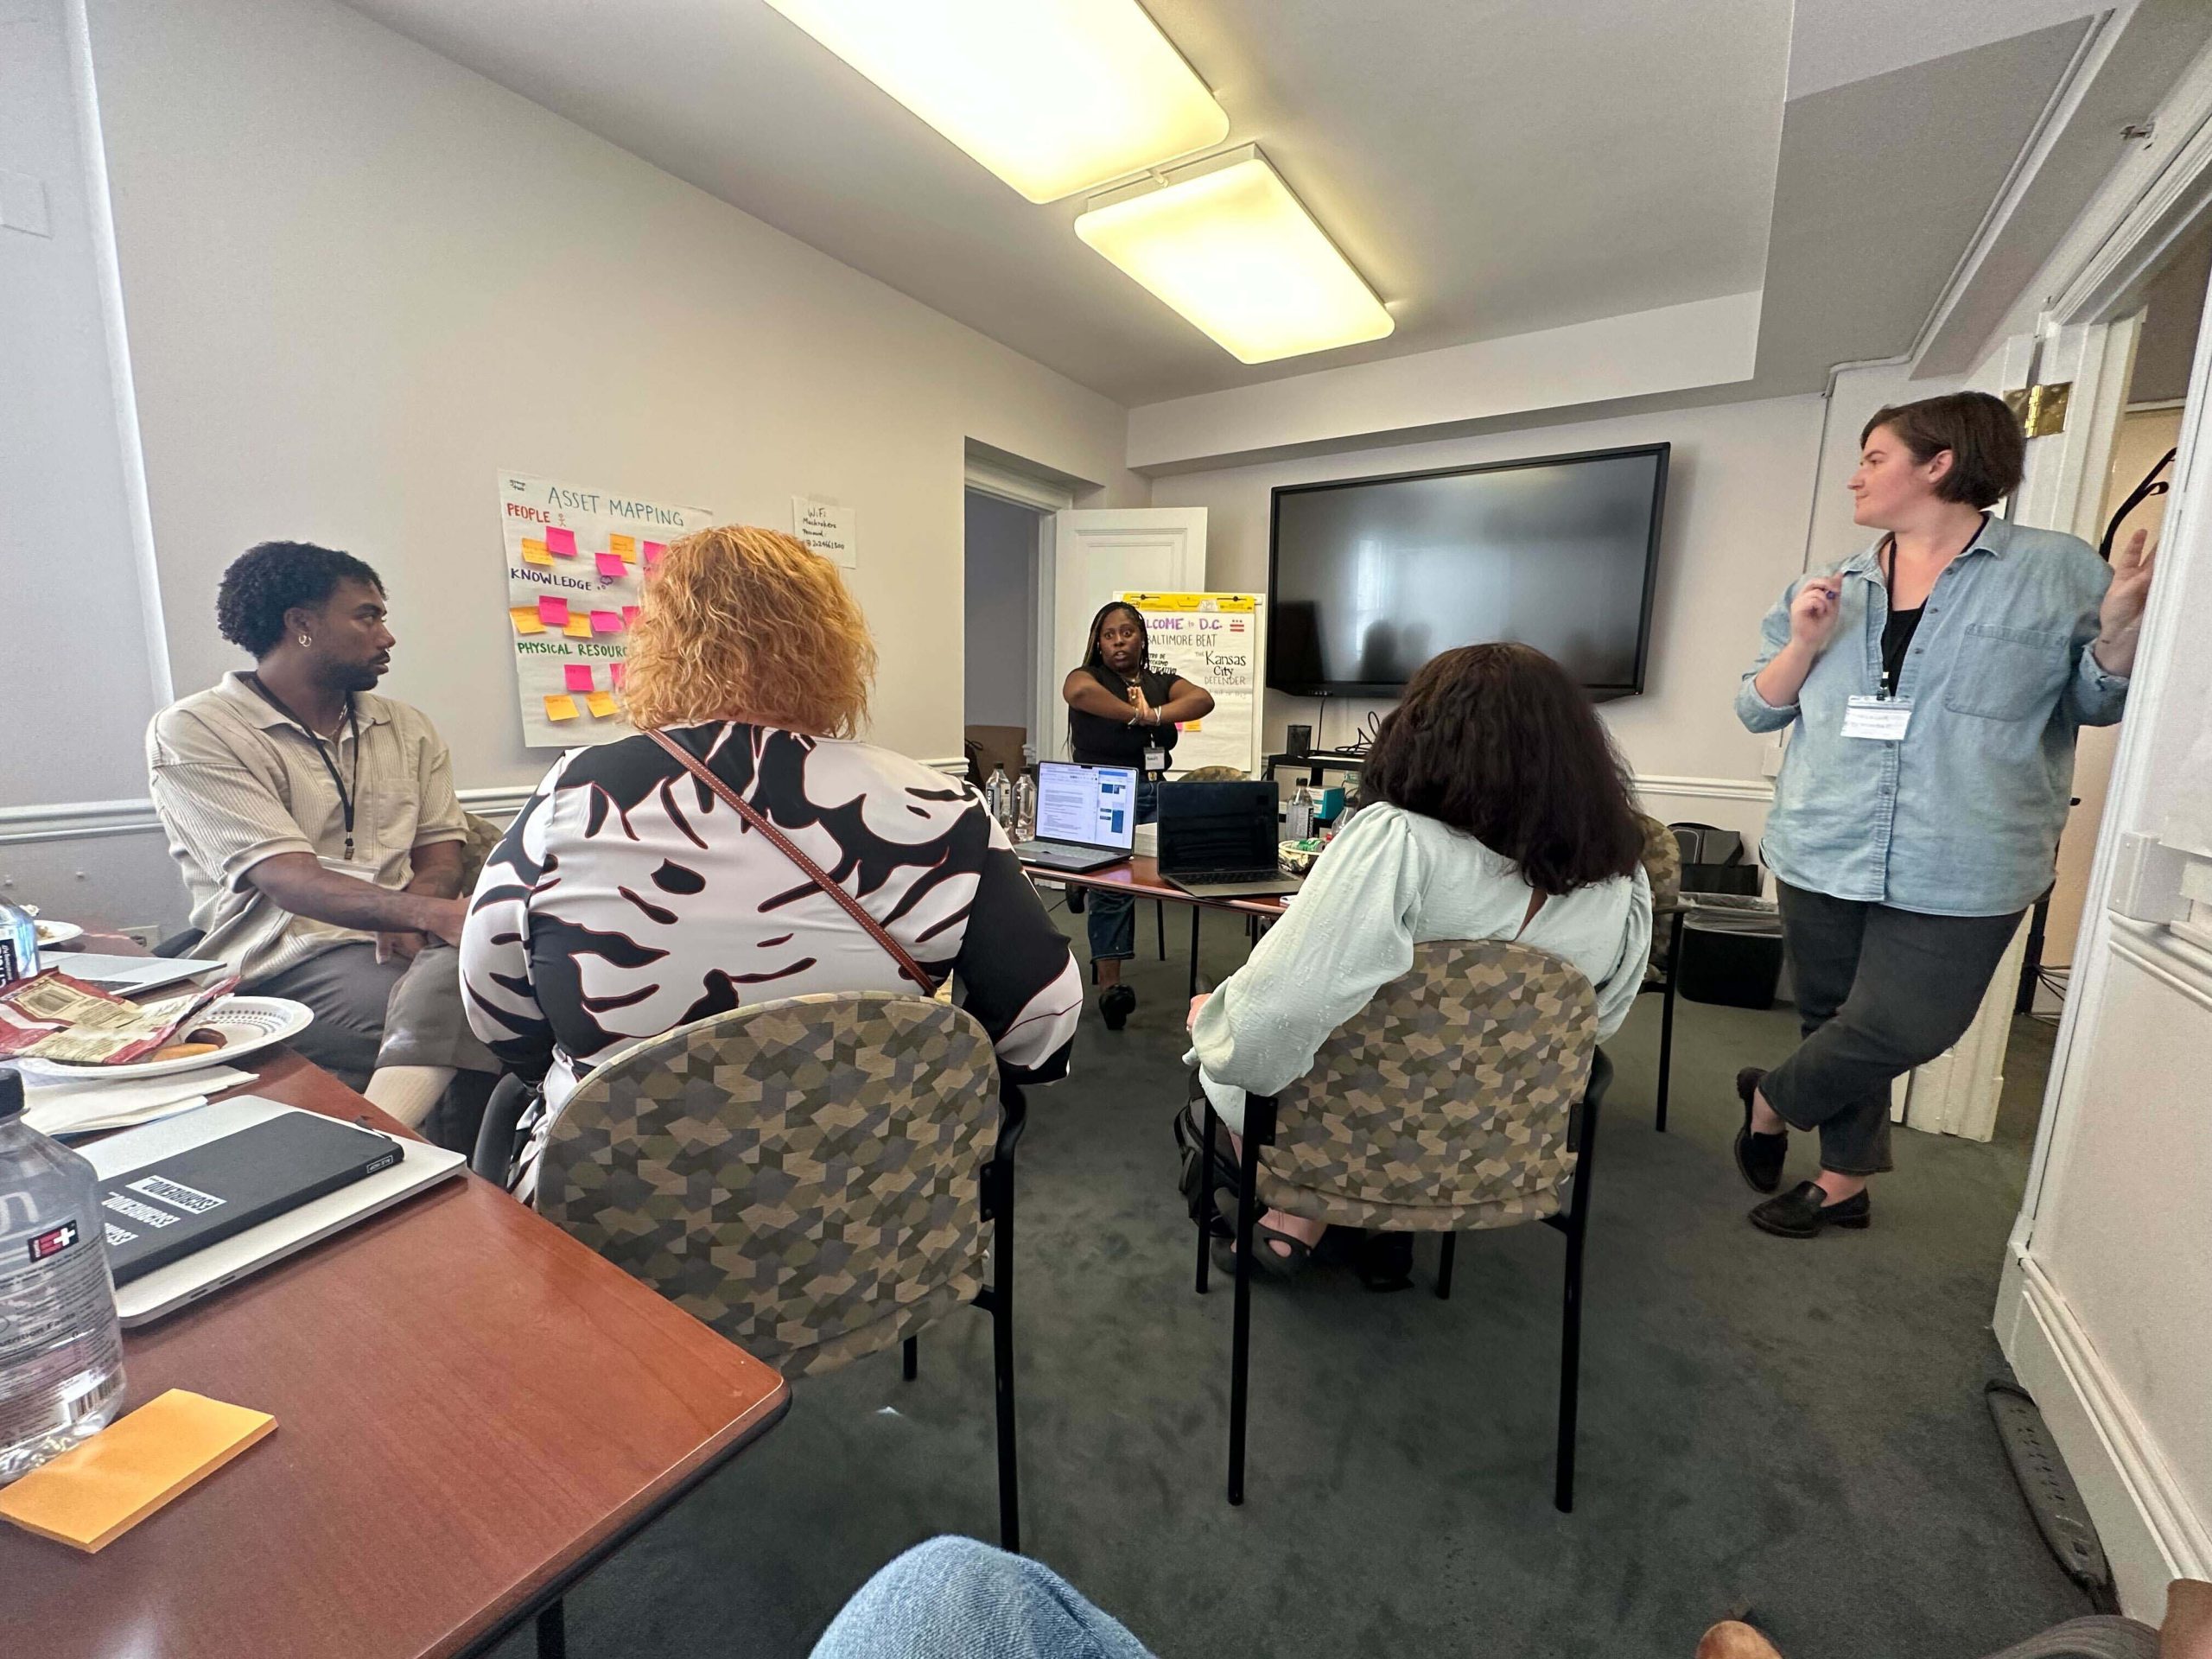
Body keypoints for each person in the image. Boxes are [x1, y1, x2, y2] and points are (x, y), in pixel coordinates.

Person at [460, 524, 1082, 1198]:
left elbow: (494, 1007)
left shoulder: (578, 792)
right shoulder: (943, 806)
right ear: (833, 648)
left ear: (657, 645)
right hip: (875, 1217)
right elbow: (1043, 1021)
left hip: (620, 1229)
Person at [1732, 392, 2156, 1238]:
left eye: (1874, 458)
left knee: (1906, 1023)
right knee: (1832, 1019)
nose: (1854, 476)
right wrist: (1806, 642)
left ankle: (1771, 1098)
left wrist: (2114, 634)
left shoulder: (2059, 570)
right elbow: (1756, 709)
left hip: (1968, 856)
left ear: (1940, 464)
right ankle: (1844, 1182)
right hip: (1824, 839)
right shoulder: (1831, 583)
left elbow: (2091, 701)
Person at [1185, 642, 1652, 1275]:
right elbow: (1596, 1023)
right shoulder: (1621, 878)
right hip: (1500, 1145)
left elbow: (1279, 1017)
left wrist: (1213, 1023)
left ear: (1424, 735)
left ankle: (1307, 1215)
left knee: (1223, 1050)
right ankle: (1366, 1228)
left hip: (1345, 1130)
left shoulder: (1401, 843)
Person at [146, 541, 498, 1126]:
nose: (387, 636)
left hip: (407, 940)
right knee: (475, 1015)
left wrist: (415, 909)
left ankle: (451, 1172)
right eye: (368, 615)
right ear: (302, 624)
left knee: (517, 994)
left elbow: (441, 853)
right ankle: (394, 1160)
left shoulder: (406, 726)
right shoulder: (196, 730)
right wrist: (426, 917)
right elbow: (290, 881)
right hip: (288, 954)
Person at [1060, 602, 1214, 1031]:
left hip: (1154, 786)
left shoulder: (1159, 681)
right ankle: (1112, 987)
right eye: (1109, 635)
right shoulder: (1088, 677)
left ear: (1141, 638)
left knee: (1200, 850)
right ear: (1099, 641)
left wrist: (1159, 713)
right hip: (1105, 789)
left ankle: (1079, 879)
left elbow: (1202, 699)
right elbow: (1078, 696)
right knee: (1114, 885)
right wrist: (1137, 715)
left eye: (1127, 632)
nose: (1118, 641)